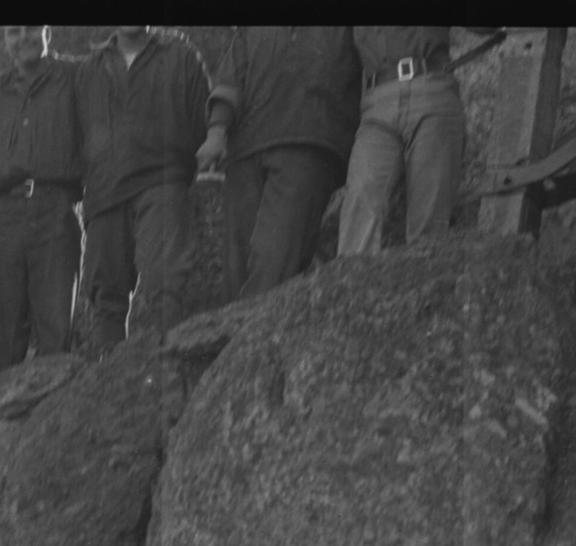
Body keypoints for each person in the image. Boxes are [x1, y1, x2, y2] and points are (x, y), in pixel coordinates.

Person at [0, 26, 83, 375]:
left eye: (31, 29)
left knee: (56, 334)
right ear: (3, 41)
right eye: (14, 32)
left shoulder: (75, 78)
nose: (23, 37)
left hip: (56, 210)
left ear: (48, 32)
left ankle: (52, 424)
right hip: (4, 216)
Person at [196, 28, 360, 300]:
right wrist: (216, 131)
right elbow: (232, 77)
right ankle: (233, 336)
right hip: (246, 148)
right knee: (237, 264)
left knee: (275, 258)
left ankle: (251, 339)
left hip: (309, 145)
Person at [76, 25, 212, 353]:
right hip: (105, 196)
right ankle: (106, 385)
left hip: (162, 184)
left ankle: (178, 375)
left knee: (166, 285)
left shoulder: (180, 56)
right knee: (106, 300)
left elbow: (202, 124)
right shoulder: (88, 69)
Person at [337, 27, 484, 256]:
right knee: (360, 198)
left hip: (432, 91)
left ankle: (427, 282)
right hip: (377, 105)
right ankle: (347, 287)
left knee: (430, 227)